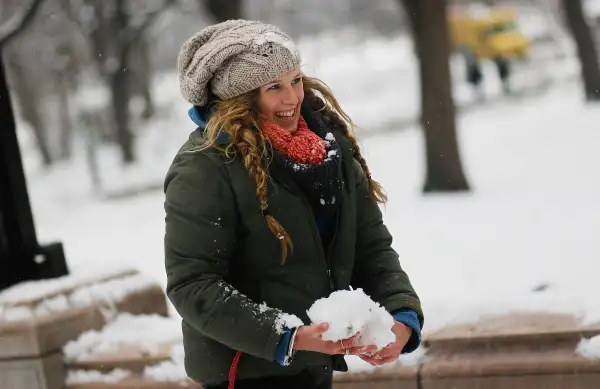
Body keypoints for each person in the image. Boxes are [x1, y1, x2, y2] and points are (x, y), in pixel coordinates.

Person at [164, 19, 424, 389]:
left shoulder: (330, 149)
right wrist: (289, 337)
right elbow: (193, 284)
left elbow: (371, 247)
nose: (292, 98)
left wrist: (401, 316)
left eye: (296, 80)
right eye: (274, 87)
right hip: (246, 374)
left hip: (312, 369)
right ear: (241, 98)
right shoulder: (205, 166)